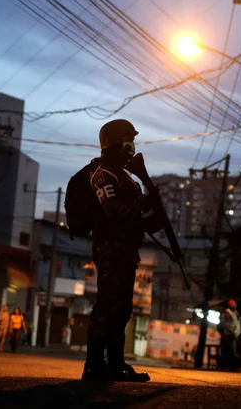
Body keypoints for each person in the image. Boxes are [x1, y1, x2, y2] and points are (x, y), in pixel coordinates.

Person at [80, 119, 153, 382]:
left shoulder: (124, 174)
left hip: (125, 248)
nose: (131, 145)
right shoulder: (103, 172)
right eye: (127, 139)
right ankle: (94, 365)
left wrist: (149, 209)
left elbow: (131, 210)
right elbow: (111, 209)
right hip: (111, 248)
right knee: (107, 306)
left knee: (121, 308)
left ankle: (115, 365)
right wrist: (142, 202)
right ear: (114, 141)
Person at [220, 300, 241, 370]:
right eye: (233, 304)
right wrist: (233, 332)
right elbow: (227, 325)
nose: (235, 306)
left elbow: (236, 323)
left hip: (234, 335)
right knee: (230, 352)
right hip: (229, 335)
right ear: (230, 305)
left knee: (233, 352)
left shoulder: (235, 313)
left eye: (235, 304)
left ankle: (232, 367)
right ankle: (230, 367)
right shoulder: (228, 313)